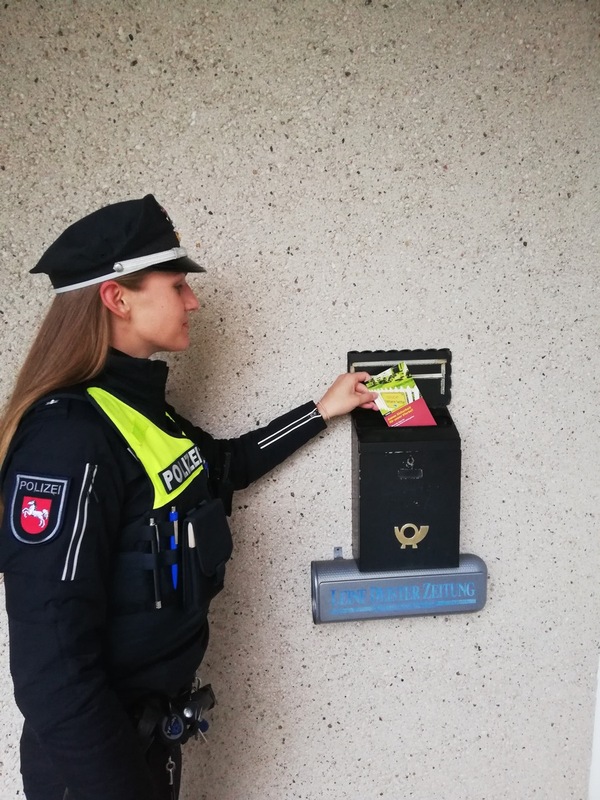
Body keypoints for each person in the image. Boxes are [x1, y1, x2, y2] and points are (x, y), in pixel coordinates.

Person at [0, 195, 376, 800]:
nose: (194, 300)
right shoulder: (67, 439)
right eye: (177, 286)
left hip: (152, 735)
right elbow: (52, 673)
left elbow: (219, 466)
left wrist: (323, 410)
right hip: (96, 766)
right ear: (117, 298)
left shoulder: (139, 409)